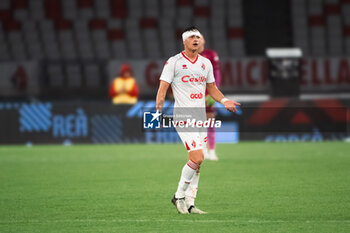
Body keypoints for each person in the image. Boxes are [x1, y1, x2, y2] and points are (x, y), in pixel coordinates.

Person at [155, 26, 240, 214]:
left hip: (200, 117)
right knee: (198, 156)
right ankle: (178, 196)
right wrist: (157, 112)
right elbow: (162, 90)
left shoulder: (205, 63)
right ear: (184, 41)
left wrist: (224, 100)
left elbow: (212, 88)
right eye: (192, 37)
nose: (196, 39)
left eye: (198, 37)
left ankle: (190, 203)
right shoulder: (174, 62)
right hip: (183, 116)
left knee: (198, 163)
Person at [198, 36, 221, 161]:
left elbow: (217, 74)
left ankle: (212, 151)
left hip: (208, 94)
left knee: (210, 122)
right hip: (195, 95)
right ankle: (203, 150)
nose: (196, 40)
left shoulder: (211, 55)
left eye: (199, 38)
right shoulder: (189, 56)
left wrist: (214, 93)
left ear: (204, 40)